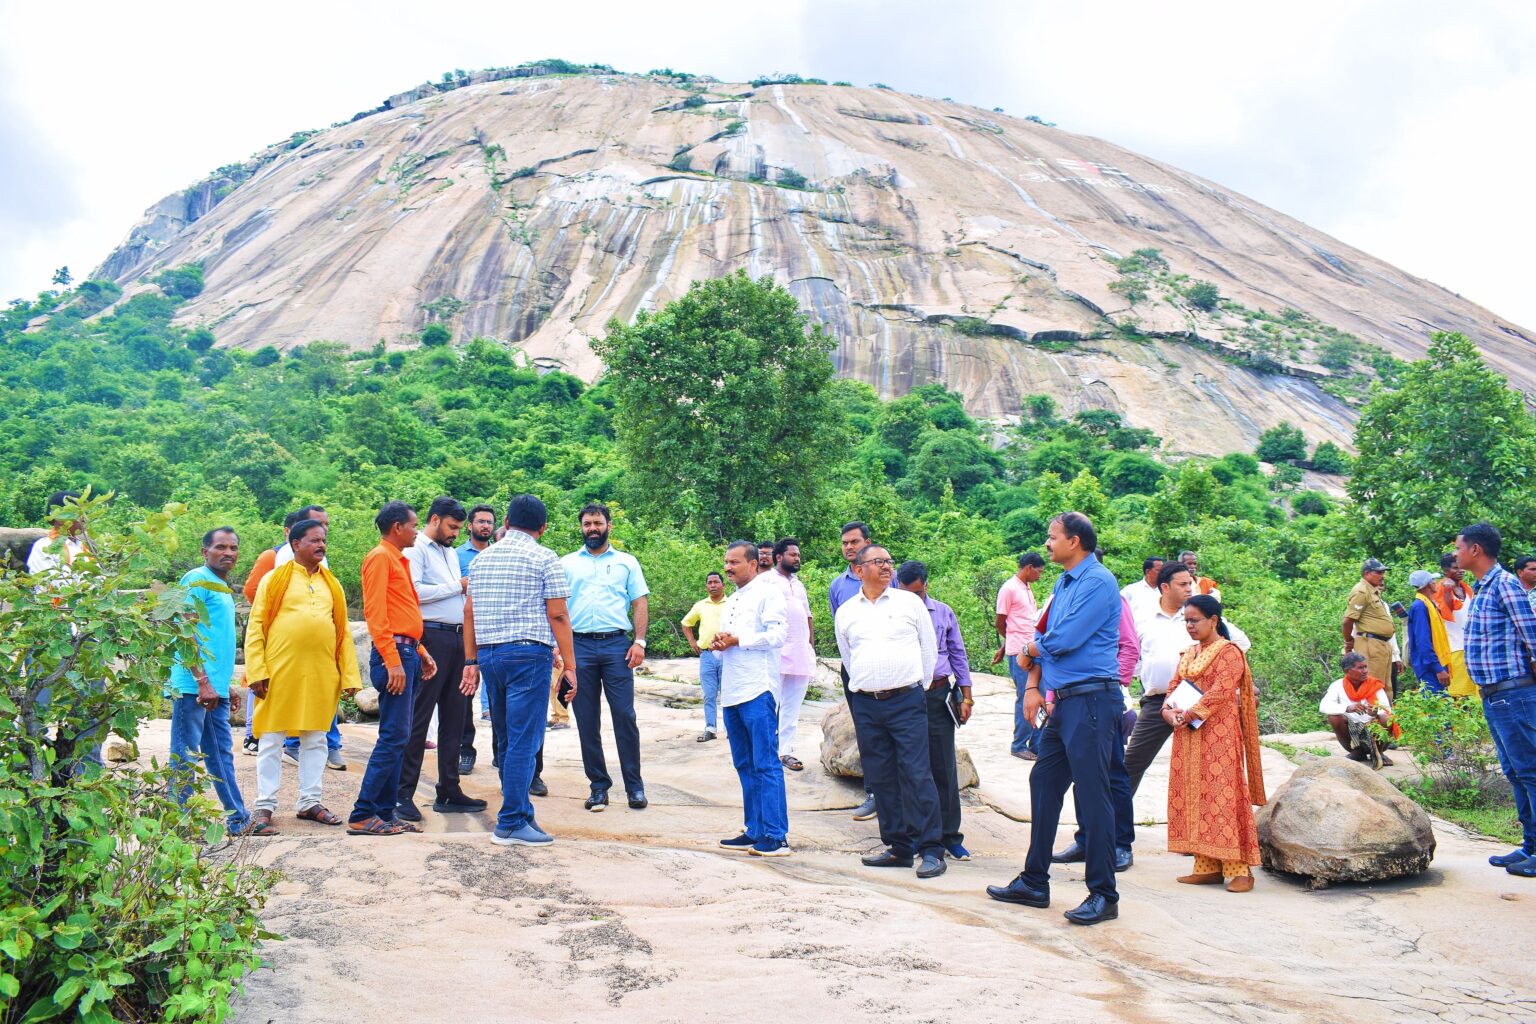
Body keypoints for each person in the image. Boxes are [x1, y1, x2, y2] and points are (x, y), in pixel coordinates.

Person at [987, 512, 1122, 926]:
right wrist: (1033, 679)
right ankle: (1034, 880)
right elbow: (1049, 638)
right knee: (1043, 782)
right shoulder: (1064, 582)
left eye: (1053, 538)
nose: (1047, 544)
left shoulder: (1098, 581)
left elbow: (1062, 639)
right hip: (1063, 704)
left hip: (1092, 702)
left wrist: (1029, 648)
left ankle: (1103, 894)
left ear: (1075, 541)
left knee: (1093, 796)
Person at [463, 494, 578, 847]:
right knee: (525, 741)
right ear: (542, 528)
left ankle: (522, 812)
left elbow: (468, 613)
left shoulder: (482, 560)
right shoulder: (545, 558)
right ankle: (511, 821)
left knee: (507, 738)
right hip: (528, 656)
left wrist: (471, 661)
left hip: (490, 656)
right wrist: (571, 666)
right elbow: (557, 614)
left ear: (507, 523)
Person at [244, 518, 363, 835]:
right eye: (314, 540)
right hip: (280, 672)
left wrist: (349, 676)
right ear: (295, 544)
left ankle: (309, 802)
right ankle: (264, 805)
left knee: (316, 738)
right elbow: (255, 627)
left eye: (323, 540)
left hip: (322, 672)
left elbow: (342, 633)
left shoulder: (331, 583)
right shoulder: (274, 579)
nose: (321, 545)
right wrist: (256, 670)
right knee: (271, 738)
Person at [836, 544, 946, 879]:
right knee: (881, 778)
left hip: (906, 701)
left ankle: (931, 850)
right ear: (858, 570)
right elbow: (848, 656)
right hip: (867, 704)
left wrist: (917, 687)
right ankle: (898, 848)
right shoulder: (846, 611)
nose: (887, 567)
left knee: (917, 774)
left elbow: (929, 651)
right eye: (878, 562)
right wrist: (866, 688)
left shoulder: (909, 603)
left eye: (888, 562)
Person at [348, 501, 438, 836]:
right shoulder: (379, 557)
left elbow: (402, 614)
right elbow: (376, 613)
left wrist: (421, 650)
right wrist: (393, 660)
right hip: (395, 655)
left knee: (400, 737)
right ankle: (362, 813)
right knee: (393, 737)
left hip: (407, 651)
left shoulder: (397, 558)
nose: (417, 530)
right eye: (414, 525)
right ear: (397, 527)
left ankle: (385, 813)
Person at [1165, 595, 1267, 892]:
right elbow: (1174, 687)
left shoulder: (1230, 652)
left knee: (1223, 795)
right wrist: (1169, 711)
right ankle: (1206, 866)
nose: (1189, 626)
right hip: (1187, 734)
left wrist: (1190, 712)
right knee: (1195, 795)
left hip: (1219, 734)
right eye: (1186, 620)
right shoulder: (1187, 653)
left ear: (1213, 620)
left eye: (1195, 620)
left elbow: (1222, 690)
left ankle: (1240, 870)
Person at [1456, 522, 1536, 875]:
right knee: (1516, 772)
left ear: (1475, 550)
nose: (1455, 554)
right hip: (1495, 697)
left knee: (1531, 771)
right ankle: (1530, 847)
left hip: (1514, 694)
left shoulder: (1504, 585)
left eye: (1459, 547)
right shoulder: (1482, 588)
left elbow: (1532, 635)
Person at [398, 497, 485, 820]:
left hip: (457, 637)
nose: (455, 534)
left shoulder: (449, 552)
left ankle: (449, 789)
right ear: (434, 519)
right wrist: (457, 585)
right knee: (420, 718)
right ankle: (403, 793)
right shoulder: (415, 549)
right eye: (451, 527)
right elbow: (413, 592)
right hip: (430, 637)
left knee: (456, 715)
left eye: (459, 528)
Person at [562, 503, 650, 812]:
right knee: (587, 720)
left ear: (609, 525)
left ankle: (634, 787)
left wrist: (639, 641)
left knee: (624, 716)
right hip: (579, 647)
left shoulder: (627, 562)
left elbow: (639, 602)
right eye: (587, 524)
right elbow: (557, 608)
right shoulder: (567, 563)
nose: (592, 528)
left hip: (616, 646)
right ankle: (598, 787)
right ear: (582, 527)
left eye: (597, 522)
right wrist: (560, 650)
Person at [168, 527, 249, 836]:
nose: (228, 552)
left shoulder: (221, 587)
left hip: (213, 689)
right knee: (184, 757)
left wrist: (222, 684)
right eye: (220, 547)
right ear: (205, 552)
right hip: (193, 688)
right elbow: (185, 634)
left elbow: (215, 641)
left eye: (233, 547)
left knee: (220, 756)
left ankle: (239, 819)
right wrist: (202, 681)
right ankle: (175, 828)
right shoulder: (195, 580)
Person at [714, 540, 791, 857]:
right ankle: (755, 829)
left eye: (734, 562)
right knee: (745, 763)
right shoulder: (732, 600)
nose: (728, 567)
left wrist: (739, 639)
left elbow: (778, 635)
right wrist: (721, 642)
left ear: (753, 563)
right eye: (726, 562)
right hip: (732, 691)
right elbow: (730, 641)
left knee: (766, 763)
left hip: (757, 689)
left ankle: (776, 835)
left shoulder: (768, 592)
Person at [896, 560, 973, 862]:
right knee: (911, 768)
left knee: (943, 765)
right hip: (904, 696)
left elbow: (958, 653)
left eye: (917, 593)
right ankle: (916, 835)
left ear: (926, 585)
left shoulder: (942, 611)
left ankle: (950, 836)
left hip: (937, 694)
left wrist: (966, 696)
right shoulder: (892, 612)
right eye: (906, 592)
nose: (912, 599)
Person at [829, 521, 882, 820]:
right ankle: (874, 792)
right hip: (855, 669)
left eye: (854, 542)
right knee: (867, 731)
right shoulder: (838, 586)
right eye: (845, 543)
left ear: (867, 542)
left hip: (890, 670)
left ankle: (899, 792)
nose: (849, 547)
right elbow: (841, 632)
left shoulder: (890, 578)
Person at [458, 503, 499, 772]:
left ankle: (501, 751)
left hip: (495, 631)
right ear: (470, 525)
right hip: (466, 632)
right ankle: (466, 750)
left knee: (499, 695)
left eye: (489, 522)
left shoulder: (500, 553)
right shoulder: (456, 555)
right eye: (480, 521)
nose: (485, 526)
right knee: (463, 695)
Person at [769, 538, 816, 771]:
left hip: (800, 652)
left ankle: (785, 751)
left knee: (792, 707)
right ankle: (767, 751)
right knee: (771, 704)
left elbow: (808, 616)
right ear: (779, 557)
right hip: (777, 653)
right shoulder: (767, 581)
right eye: (793, 555)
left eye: (798, 555)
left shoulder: (798, 584)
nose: (797, 558)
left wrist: (810, 646)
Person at [994, 552, 1046, 761]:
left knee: (1039, 698)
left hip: (1032, 649)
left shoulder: (1026, 588)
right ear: (1029, 567)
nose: (1039, 576)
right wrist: (1011, 642)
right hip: (1019, 653)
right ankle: (1018, 744)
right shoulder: (1009, 588)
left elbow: (1022, 622)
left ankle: (1037, 744)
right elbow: (1001, 622)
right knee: (1025, 698)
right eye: (1039, 572)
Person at [1320, 652, 1399, 767]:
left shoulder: (1374, 685)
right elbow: (1324, 706)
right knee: (1334, 718)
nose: (1365, 671)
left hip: (1373, 728)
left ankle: (1378, 752)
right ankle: (1357, 752)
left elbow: (1386, 710)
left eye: (1365, 667)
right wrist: (1347, 708)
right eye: (1360, 668)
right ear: (1348, 671)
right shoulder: (1337, 686)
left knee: (1386, 718)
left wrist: (1375, 712)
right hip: (1351, 730)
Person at [681, 572, 728, 742]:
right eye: (710, 582)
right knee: (709, 694)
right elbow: (686, 623)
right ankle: (710, 728)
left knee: (728, 694)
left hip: (728, 654)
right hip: (707, 655)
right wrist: (692, 642)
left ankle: (731, 729)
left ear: (723, 585)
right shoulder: (701, 605)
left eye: (716, 582)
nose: (713, 585)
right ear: (706, 586)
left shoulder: (731, 603)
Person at [1343, 558, 1396, 685]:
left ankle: (1384, 706)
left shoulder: (1373, 591)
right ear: (1367, 573)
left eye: (1383, 572)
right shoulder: (1361, 591)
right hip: (1371, 644)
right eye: (1378, 573)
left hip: (1381, 644)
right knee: (1373, 686)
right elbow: (1347, 621)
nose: (1382, 576)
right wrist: (1349, 642)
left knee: (1385, 687)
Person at [1433, 552, 1478, 698]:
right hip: (1454, 647)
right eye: (1455, 568)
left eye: (1461, 567)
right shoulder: (1440, 588)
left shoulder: (1467, 588)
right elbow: (1445, 613)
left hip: (1472, 646)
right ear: (1446, 571)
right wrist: (1447, 591)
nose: (1460, 570)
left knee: (1476, 693)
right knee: (1459, 695)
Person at [1406, 569, 1453, 695]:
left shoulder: (1429, 604)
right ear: (1428, 584)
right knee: (1436, 707)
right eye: (1433, 580)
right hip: (1429, 667)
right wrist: (1437, 669)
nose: (1435, 582)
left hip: (1435, 663)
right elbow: (1423, 642)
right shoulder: (1420, 607)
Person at [26, 490, 94, 576]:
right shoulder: (45, 547)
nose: (84, 519)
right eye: (79, 514)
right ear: (60, 518)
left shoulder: (80, 546)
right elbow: (56, 584)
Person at [242, 510, 300, 603]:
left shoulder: (314, 559)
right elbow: (251, 591)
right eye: (299, 530)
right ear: (287, 531)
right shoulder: (271, 556)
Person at [1120, 556, 1164, 627]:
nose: (1163, 573)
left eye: (1163, 570)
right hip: (1137, 634)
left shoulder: (1166, 590)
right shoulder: (1130, 590)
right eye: (1159, 570)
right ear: (1148, 572)